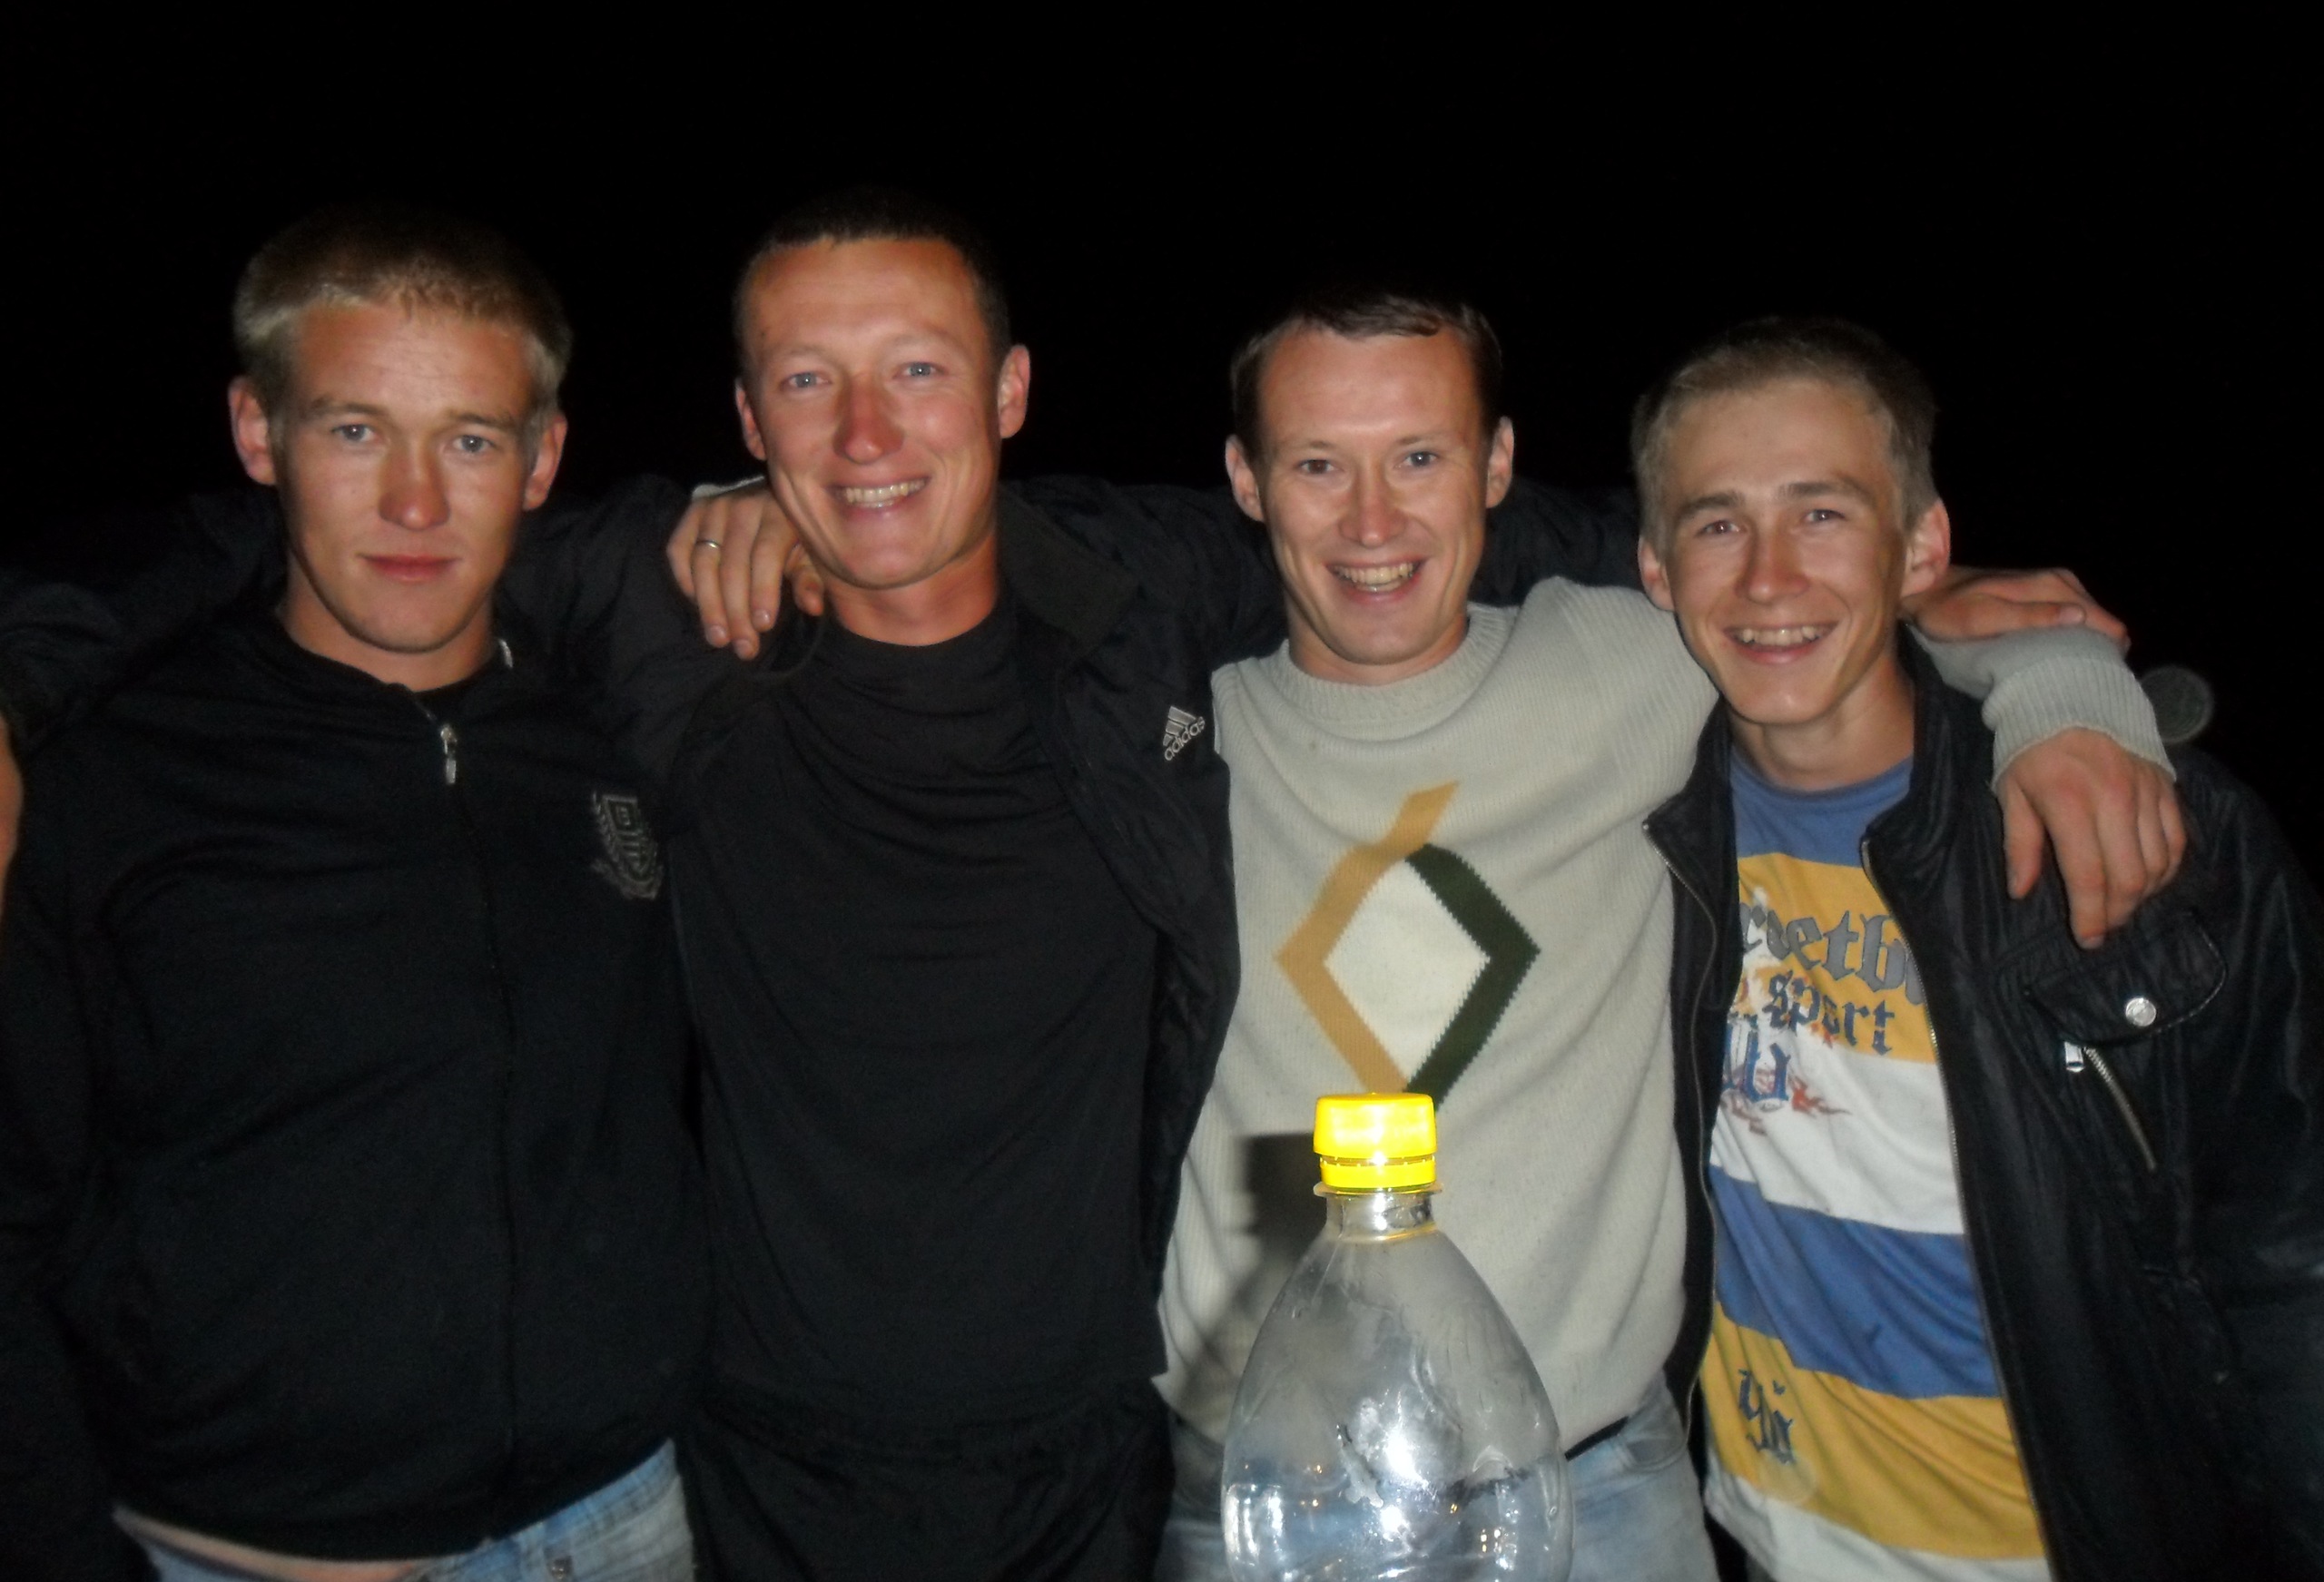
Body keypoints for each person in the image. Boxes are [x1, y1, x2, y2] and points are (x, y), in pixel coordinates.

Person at [0, 191, 2182, 1582]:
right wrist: (17, 675)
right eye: (809, 385)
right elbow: (318, 538)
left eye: (917, 373)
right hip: (757, 1477)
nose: (867, 436)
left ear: (1011, 395)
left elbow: (1715, 576)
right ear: (743, 417)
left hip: (1144, 1474)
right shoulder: (655, 614)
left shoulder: (1141, 621)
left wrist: (2039, 662)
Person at [1140, 290, 2179, 1582]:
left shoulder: (1629, 670)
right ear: (1245, 480)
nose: (1372, 521)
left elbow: (1830, 613)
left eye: (1418, 457)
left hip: (1602, 1487)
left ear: (1498, 464)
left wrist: (2062, 688)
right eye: (1316, 465)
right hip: (1267, 1493)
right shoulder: (1168, 733)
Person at [0, 205, 708, 1582]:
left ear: (542, 458)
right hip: (244, 1556)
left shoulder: (607, 741)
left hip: (625, 1521)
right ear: (258, 432)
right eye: (355, 429)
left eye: (471, 440)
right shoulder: (106, 780)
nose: (415, 503)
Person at [1634, 318, 2324, 1582]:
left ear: (1922, 548)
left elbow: (2289, 1257)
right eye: (1719, 523)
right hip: (1758, 1537)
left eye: (1823, 514)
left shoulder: (2144, 831)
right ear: (1656, 566)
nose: (1769, 578)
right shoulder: (1645, 826)